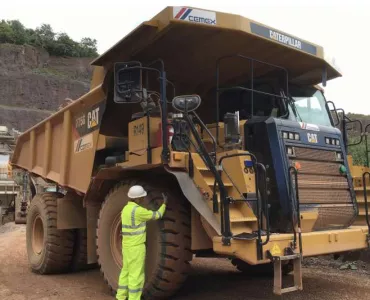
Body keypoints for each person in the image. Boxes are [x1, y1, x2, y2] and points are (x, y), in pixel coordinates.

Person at [116, 185, 167, 300]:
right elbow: (157, 215)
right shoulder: (138, 211)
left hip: (126, 247)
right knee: (136, 275)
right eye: (142, 197)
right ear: (138, 198)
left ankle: (120, 297)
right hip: (136, 248)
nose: (143, 199)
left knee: (125, 272)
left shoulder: (125, 209)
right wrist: (164, 204)